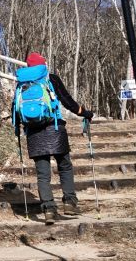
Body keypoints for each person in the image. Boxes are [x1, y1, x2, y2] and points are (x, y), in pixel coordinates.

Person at [16, 52, 94, 225]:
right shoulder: (51, 79)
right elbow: (68, 102)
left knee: (43, 175)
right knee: (64, 167)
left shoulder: (22, 84)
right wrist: (85, 113)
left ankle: (49, 210)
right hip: (55, 128)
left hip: (33, 133)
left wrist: (18, 130)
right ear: (43, 65)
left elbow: (16, 110)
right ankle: (69, 203)